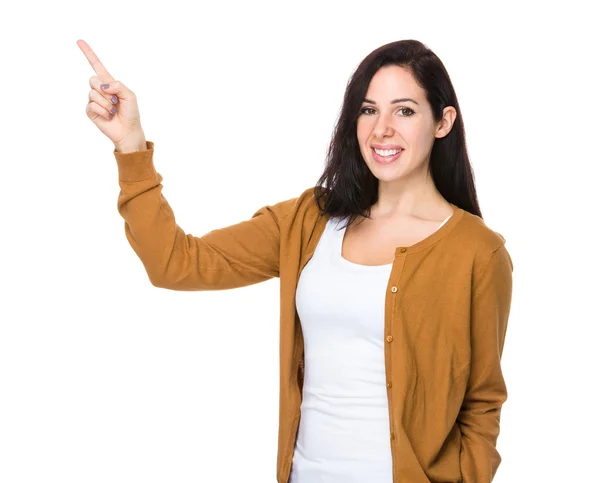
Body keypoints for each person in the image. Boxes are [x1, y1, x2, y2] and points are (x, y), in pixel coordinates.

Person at [78, 38, 513, 483]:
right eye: (368, 110)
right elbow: (176, 263)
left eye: (404, 110)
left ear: (443, 122)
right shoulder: (309, 222)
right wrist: (131, 147)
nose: (382, 129)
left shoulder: (477, 251)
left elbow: (482, 403)